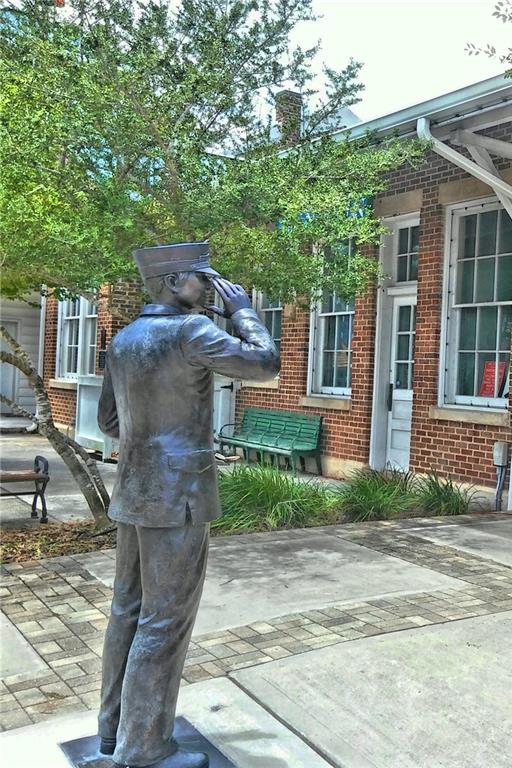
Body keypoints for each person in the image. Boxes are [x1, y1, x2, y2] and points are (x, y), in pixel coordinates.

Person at [96, 243, 280, 768]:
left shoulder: (125, 338)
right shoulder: (191, 331)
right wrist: (243, 311)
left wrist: (151, 438)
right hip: (178, 495)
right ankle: (144, 748)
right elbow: (265, 363)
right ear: (175, 281)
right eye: (204, 277)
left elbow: (110, 422)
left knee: (127, 611)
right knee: (165, 620)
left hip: (135, 489)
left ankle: (114, 734)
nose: (212, 286)